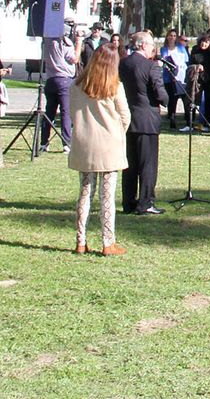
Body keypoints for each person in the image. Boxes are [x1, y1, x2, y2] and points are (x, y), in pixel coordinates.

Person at [68, 35, 131, 254]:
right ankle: (107, 242)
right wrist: (116, 133)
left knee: (85, 192)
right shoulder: (115, 86)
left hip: (84, 144)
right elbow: (125, 116)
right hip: (109, 146)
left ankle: (80, 240)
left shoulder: (77, 85)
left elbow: (71, 114)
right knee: (107, 197)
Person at [118, 31, 167, 216]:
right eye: (151, 46)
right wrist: (166, 100)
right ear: (143, 45)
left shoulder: (123, 63)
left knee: (130, 163)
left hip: (128, 118)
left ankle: (129, 202)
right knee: (147, 164)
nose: (152, 49)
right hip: (147, 120)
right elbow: (160, 94)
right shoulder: (151, 66)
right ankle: (146, 202)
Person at [41, 32, 78, 150]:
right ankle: (66, 143)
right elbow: (74, 59)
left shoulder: (46, 41)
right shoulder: (66, 42)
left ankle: (43, 142)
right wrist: (79, 41)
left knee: (49, 112)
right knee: (65, 113)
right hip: (64, 79)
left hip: (50, 79)